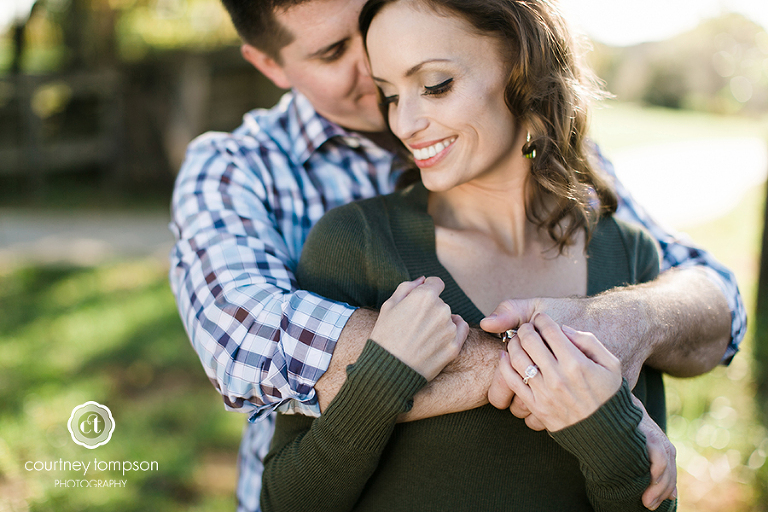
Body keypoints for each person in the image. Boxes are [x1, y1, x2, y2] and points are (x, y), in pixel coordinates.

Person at [168, 0, 743, 510]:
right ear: (270, 65)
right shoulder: (245, 171)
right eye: (334, 51)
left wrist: (623, 321)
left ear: (520, 73)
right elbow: (242, 340)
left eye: (434, 83)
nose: (371, 63)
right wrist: (555, 369)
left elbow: (705, 295)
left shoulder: (569, 185)